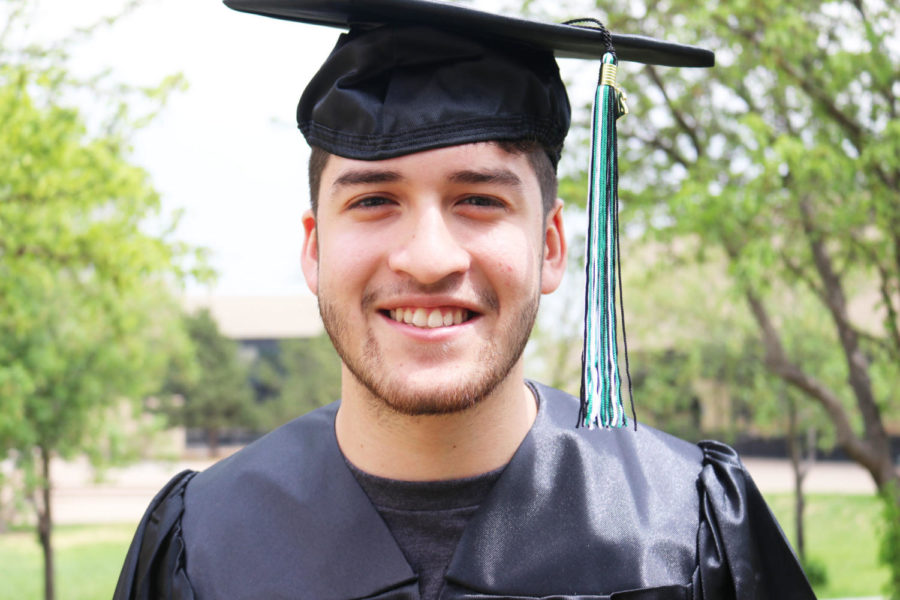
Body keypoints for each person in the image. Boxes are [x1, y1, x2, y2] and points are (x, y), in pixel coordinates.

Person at [114, 1, 817, 598]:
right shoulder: (203, 550)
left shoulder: (683, 531)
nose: (428, 257)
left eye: (478, 199)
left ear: (550, 246)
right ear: (314, 248)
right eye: (374, 200)